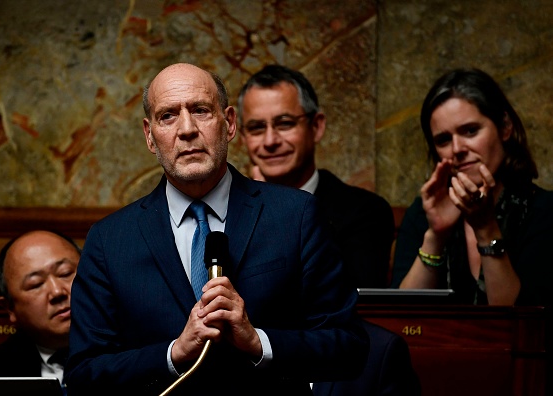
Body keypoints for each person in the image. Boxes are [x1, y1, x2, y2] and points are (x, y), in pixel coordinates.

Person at [64, 63, 368, 395]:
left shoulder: (295, 215)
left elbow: (349, 347)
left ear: (230, 123)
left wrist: (257, 341)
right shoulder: (109, 241)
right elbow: (83, 375)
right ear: (150, 136)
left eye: (200, 110)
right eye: (168, 116)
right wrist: (174, 353)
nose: (187, 129)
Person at [391, 68, 553, 306]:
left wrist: (486, 229)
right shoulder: (422, 214)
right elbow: (404, 320)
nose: (457, 148)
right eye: (443, 140)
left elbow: (520, 329)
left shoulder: (543, 212)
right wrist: (435, 236)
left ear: (505, 127)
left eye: (470, 131)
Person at [237, 64, 395, 288]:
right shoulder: (229, 210)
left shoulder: (365, 212)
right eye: (256, 128)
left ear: (316, 127)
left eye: (285, 124)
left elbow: (346, 304)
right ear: (243, 137)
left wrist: (274, 219)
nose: (270, 141)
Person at [0, 230, 81, 384]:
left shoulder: (126, 349)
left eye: (65, 273)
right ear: (9, 308)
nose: (57, 292)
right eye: (35, 284)